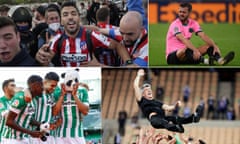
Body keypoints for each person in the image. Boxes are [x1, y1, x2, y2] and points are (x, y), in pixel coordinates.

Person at [35, 1, 131, 67]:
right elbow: (45, 61)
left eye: (73, 13)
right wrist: (41, 59)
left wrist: (129, 63)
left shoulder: (92, 35)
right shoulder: (56, 39)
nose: (70, 17)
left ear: (79, 18)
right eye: (65, 15)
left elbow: (118, 45)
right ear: (61, 21)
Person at [133, 69, 204, 133]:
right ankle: (176, 128)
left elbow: (168, 108)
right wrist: (138, 75)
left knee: (176, 118)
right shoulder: (142, 100)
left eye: (150, 89)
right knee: (165, 122)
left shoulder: (157, 102)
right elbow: (136, 86)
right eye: (146, 90)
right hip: (155, 120)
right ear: (142, 94)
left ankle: (193, 118)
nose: (149, 90)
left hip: (164, 118)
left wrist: (175, 105)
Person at [166, 2, 235, 65]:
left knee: (209, 46)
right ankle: (205, 61)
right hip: (172, 57)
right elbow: (183, 39)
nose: (181, 14)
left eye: (184, 12)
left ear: (189, 13)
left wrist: (214, 46)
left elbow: (203, 35)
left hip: (187, 56)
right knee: (187, 49)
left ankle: (220, 60)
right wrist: (195, 50)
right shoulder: (175, 24)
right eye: (180, 12)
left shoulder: (193, 23)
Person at [2, 75, 44, 144]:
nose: (43, 88)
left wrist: (40, 124)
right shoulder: (20, 98)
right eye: (41, 85)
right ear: (34, 85)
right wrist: (30, 132)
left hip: (22, 138)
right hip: (11, 139)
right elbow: (9, 122)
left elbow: (27, 117)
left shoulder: (31, 99)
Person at [52, 77, 89, 143]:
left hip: (77, 134)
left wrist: (74, 95)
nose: (71, 85)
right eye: (69, 82)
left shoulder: (82, 92)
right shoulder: (57, 93)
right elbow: (54, 113)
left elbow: (85, 112)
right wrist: (62, 95)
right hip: (60, 135)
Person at [30, 72, 62, 144]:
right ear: (44, 82)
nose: (54, 88)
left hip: (49, 135)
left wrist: (55, 123)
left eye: (55, 86)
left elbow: (54, 113)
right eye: (52, 85)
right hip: (36, 135)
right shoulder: (36, 93)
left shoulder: (50, 96)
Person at [0, 79, 16, 143]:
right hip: (5, 138)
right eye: (12, 85)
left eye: (15, 85)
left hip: (16, 138)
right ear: (5, 88)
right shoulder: (1, 101)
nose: (15, 88)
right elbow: (7, 117)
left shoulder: (16, 101)